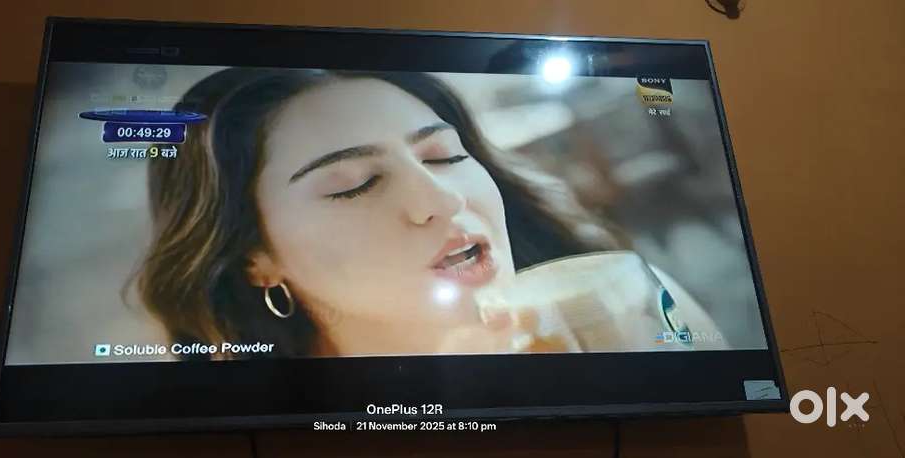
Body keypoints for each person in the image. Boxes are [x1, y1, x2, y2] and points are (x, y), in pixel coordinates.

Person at [132, 68, 722, 359]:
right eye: (357, 185)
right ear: (255, 258)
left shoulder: (631, 303)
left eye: (444, 156)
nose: (443, 200)